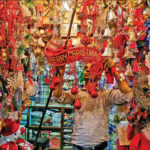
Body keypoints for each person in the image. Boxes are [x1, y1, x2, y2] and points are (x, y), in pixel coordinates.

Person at [53, 58, 133, 150]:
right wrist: (60, 75)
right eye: (85, 68)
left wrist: (114, 71)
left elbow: (127, 95)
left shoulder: (106, 94)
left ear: (98, 74)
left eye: (91, 68)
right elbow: (57, 97)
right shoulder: (76, 94)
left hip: (100, 145)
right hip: (78, 144)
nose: (87, 70)